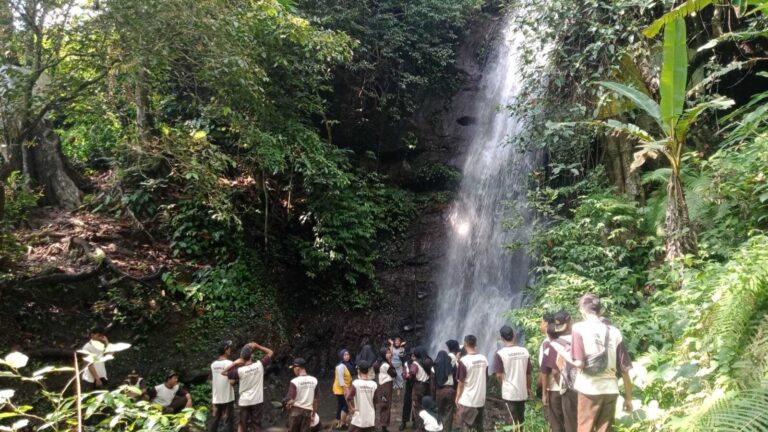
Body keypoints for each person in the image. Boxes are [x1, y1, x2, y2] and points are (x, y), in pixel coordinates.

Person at [571, 294, 633, 432]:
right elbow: (625, 369)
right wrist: (629, 398)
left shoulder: (578, 328)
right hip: (610, 389)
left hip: (589, 388)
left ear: (582, 310)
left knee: (585, 428)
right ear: (601, 311)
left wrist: (564, 355)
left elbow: (579, 363)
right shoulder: (615, 332)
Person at [541, 310, 578, 432]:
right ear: (571, 322)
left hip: (563, 389)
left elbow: (553, 372)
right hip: (584, 388)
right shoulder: (580, 340)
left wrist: (546, 392)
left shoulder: (554, 345)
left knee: (561, 424)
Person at [228, 342, 273, 432]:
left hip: (244, 401)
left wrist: (235, 363)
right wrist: (258, 346)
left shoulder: (240, 370)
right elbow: (270, 352)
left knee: (242, 424)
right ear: (252, 356)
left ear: (241, 357)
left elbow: (227, 377)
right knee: (256, 425)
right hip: (257, 400)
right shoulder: (259, 365)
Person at [494, 326, 532, 430]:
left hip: (509, 393)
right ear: (514, 335)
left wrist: (503, 384)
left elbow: (498, 375)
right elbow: (528, 373)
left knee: (511, 421)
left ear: (501, 339)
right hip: (522, 392)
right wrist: (528, 388)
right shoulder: (524, 351)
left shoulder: (500, 354)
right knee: (521, 420)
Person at [455, 335, 487, 432]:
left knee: (466, 427)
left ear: (464, 344)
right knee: (478, 427)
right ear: (476, 344)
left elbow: (461, 383)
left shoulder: (464, 361)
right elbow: (485, 378)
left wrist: (457, 397)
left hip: (467, 400)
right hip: (480, 400)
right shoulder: (484, 358)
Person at [286, 358, 319, 432]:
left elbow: (291, 400)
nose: (293, 370)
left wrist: (287, 405)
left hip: (295, 413)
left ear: (297, 368)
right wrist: (313, 414)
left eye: (293, 368)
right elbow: (316, 400)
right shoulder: (314, 380)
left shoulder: (294, 382)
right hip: (307, 413)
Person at [208, 341, 235, 432]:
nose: (230, 350)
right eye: (229, 348)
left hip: (216, 397)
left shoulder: (213, 365)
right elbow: (232, 381)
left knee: (215, 419)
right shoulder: (230, 363)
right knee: (227, 420)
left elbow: (211, 381)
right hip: (227, 397)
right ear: (225, 350)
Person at [346, 360, 378, 432]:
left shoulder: (356, 383)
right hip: (370, 418)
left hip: (359, 418)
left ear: (358, 370)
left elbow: (348, 398)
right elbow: (375, 402)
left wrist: (352, 409)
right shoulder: (374, 384)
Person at [409, 346, 433, 432]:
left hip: (418, 387)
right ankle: (427, 426)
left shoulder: (415, 363)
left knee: (416, 406)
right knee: (425, 407)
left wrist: (408, 374)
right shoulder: (428, 361)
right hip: (427, 386)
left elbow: (412, 372)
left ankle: (420, 427)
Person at [431, 350, 456, 432]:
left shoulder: (434, 367)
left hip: (439, 391)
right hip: (450, 391)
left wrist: (433, 396)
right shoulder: (451, 365)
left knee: (438, 412)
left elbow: (433, 384)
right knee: (449, 414)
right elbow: (456, 379)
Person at [375, 347, 397, 432]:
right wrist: (391, 363)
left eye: (389, 352)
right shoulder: (386, 365)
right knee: (386, 405)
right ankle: (384, 426)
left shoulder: (378, 363)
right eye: (387, 353)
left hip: (381, 385)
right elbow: (394, 374)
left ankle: (383, 424)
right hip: (386, 386)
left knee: (383, 404)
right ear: (383, 354)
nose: (389, 354)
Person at [81, 327, 109, 391]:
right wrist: (97, 379)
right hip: (91, 379)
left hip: (102, 376)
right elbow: (89, 364)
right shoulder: (86, 348)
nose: (100, 338)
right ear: (92, 335)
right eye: (99, 335)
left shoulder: (101, 345)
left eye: (102, 336)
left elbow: (110, 354)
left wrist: (106, 342)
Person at [333, 349, 354, 429]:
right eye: (345, 355)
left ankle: (338, 423)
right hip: (341, 389)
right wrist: (346, 390)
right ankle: (342, 424)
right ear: (341, 356)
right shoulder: (341, 366)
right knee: (345, 406)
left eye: (348, 354)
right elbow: (341, 380)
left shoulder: (347, 365)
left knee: (340, 405)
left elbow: (348, 377)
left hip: (342, 388)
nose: (347, 356)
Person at [399, 349, 415, 431]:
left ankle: (415, 422)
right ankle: (404, 421)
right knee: (407, 403)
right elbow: (404, 372)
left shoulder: (420, 362)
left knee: (416, 403)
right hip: (409, 384)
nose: (413, 357)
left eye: (414, 355)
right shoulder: (407, 363)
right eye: (412, 355)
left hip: (417, 384)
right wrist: (405, 375)